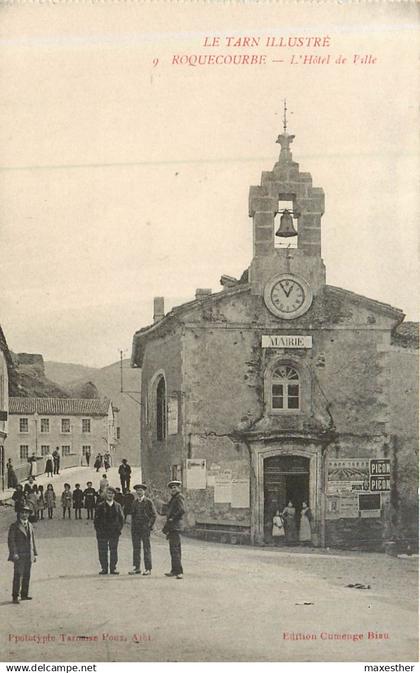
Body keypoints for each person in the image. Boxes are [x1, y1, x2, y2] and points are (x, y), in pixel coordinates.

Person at [8, 505, 38, 603]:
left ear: (29, 514)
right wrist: (14, 553)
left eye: (26, 513)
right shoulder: (15, 526)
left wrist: (35, 553)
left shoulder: (30, 525)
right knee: (18, 575)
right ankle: (15, 596)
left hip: (28, 554)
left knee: (27, 574)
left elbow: (32, 540)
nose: (24, 515)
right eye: (23, 512)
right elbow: (11, 541)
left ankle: (24, 594)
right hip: (19, 555)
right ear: (19, 514)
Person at [94, 486, 124, 575]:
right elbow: (96, 520)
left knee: (113, 550)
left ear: (114, 495)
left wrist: (118, 529)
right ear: (105, 494)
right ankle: (104, 568)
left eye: (112, 493)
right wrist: (99, 531)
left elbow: (121, 519)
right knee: (102, 550)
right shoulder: (100, 506)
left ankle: (113, 568)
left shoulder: (118, 506)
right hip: (102, 532)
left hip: (114, 532)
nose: (110, 495)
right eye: (108, 493)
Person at [129, 484, 156, 576]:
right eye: (137, 490)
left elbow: (154, 515)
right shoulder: (134, 502)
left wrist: (149, 526)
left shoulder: (148, 502)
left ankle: (148, 568)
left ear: (144, 491)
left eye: (141, 490)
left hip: (145, 528)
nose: (139, 492)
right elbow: (132, 515)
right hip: (136, 529)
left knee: (146, 548)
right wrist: (132, 527)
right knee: (136, 548)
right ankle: (136, 568)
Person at [163, 481, 185, 580]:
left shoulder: (179, 497)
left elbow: (181, 510)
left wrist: (173, 518)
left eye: (175, 487)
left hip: (175, 526)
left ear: (179, 488)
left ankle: (179, 571)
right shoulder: (174, 498)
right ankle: (174, 570)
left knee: (175, 549)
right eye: (171, 488)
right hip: (172, 527)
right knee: (173, 549)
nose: (173, 489)